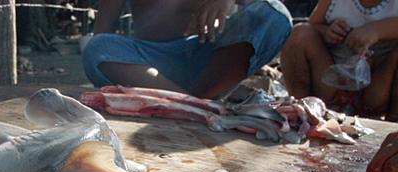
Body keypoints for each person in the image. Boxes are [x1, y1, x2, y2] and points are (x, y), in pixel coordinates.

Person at [81, 0, 293, 99]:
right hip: (150, 65)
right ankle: (193, 101)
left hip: (207, 60)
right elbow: (102, 35)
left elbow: (262, 11)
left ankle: (200, 95)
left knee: (276, 13)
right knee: (97, 48)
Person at [280, 0, 398, 121]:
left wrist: (378, 30)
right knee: (298, 34)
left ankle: (394, 123)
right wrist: (327, 32)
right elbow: (313, 26)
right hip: (331, 84)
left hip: (377, 91)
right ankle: (301, 113)